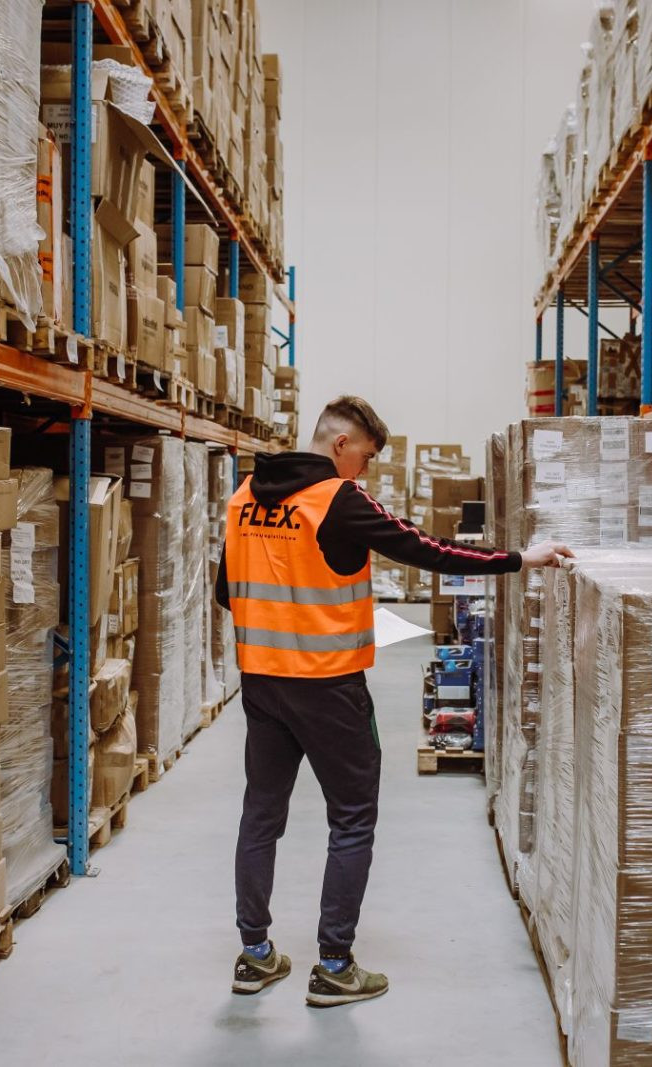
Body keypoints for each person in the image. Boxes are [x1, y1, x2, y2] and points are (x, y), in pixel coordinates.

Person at [215, 395, 572, 1007]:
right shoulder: (336, 499)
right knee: (352, 818)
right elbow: (425, 549)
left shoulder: (244, 497)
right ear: (340, 446)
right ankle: (333, 965)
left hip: (262, 685)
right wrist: (518, 559)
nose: (368, 472)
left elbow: (228, 592)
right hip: (328, 687)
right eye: (367, 457)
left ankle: (254, 956)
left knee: (261, 814)